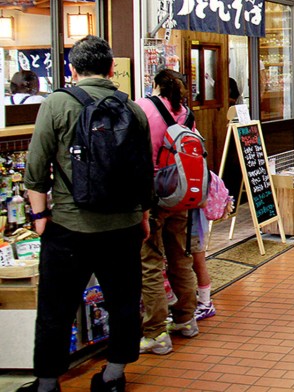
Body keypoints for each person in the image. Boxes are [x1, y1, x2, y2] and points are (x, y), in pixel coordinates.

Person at [22, 35, 153, 392]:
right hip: (124, 226)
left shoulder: (57, 104)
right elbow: (145, 172)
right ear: (112, 69)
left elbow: (36, 166)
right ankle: (113, 376)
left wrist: (39, 217)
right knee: (124, 302)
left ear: (72, 68)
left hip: (69, 226)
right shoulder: (133, 109)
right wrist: (142, 217)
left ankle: (47, 384)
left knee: (56, 308)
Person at [135, 69, 200, 356]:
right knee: (180, 255)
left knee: (150, 261)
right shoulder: (186, 114)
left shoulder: (143, 107)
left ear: (155, 85)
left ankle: (156, 333)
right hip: (180, 193)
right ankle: (186, 320)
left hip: (152, 194)